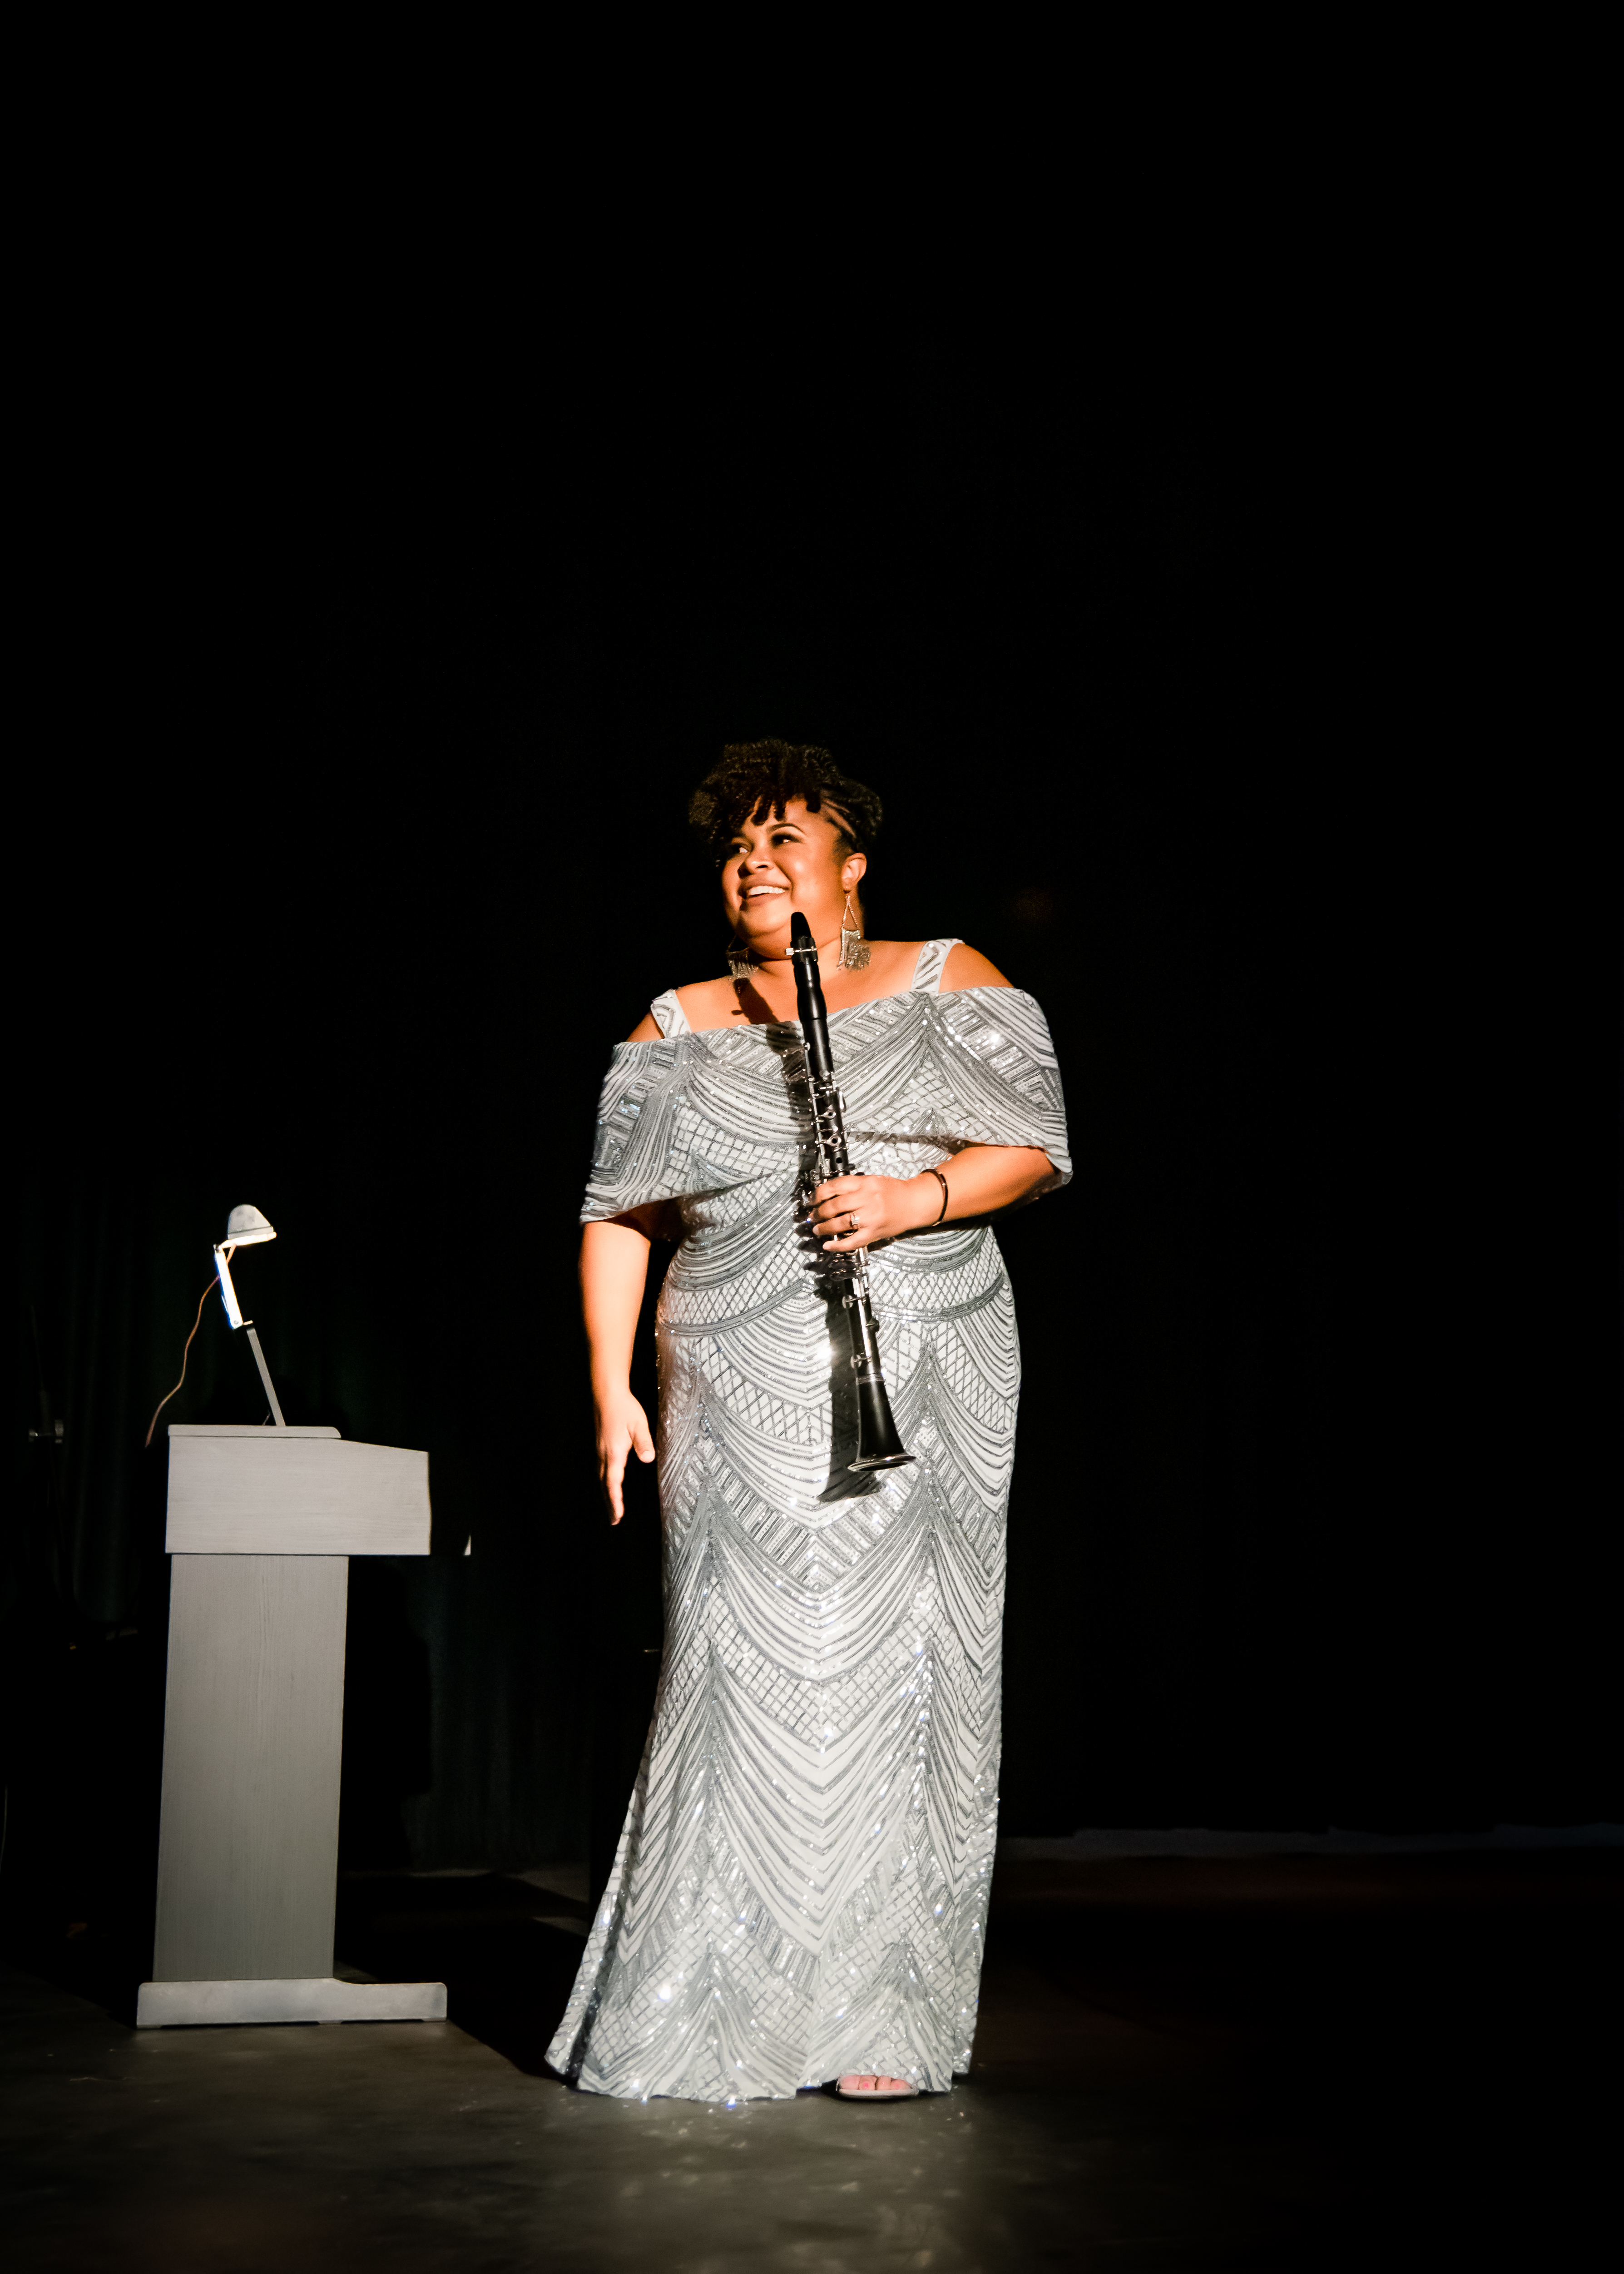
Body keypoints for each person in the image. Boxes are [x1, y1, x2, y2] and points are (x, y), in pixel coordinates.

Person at [546, 740, 1070, 2103]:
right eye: (737, 846)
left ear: (851, 869)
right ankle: (711, 1997)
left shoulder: (950, 978)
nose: (757, 859)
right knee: (734, 1668)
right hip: (731, 1369)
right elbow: (620, 1216)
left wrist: (914, 1201)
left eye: (789, 838)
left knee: (908, 1678)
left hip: (927, 1356)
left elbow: (1034, 1144)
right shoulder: (674, 1021)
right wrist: (609, 1385)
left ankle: (883, 2020)